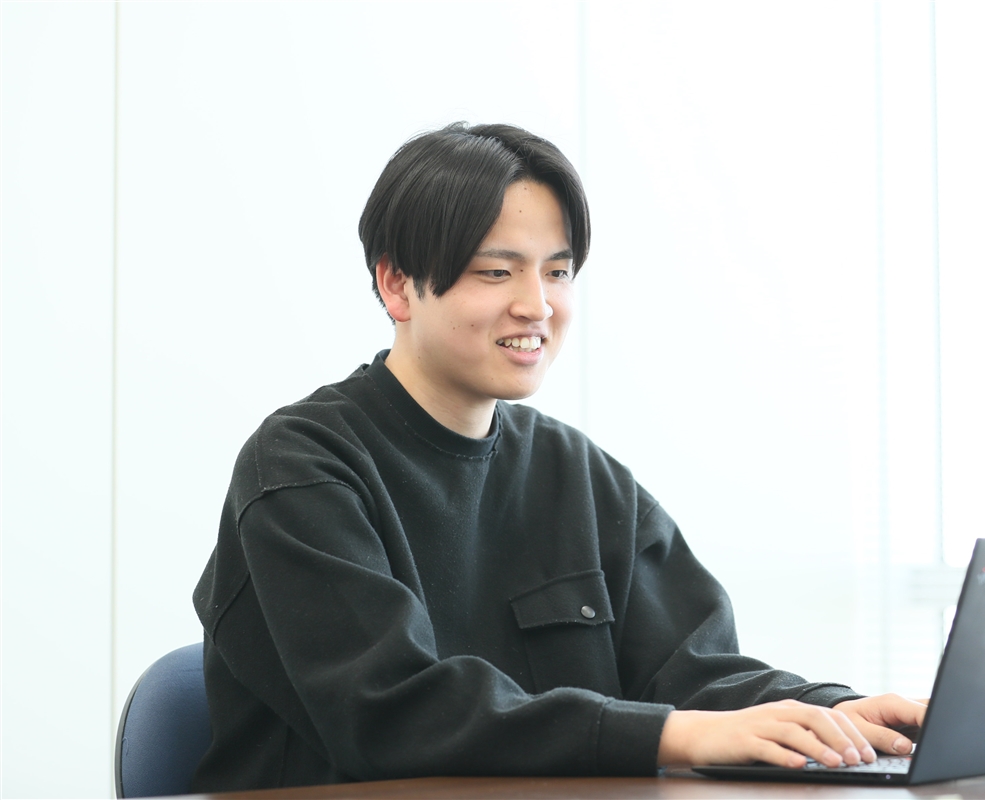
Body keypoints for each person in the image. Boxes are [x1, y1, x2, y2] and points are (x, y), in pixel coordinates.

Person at [191, 122, 926, 792]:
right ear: (397, 285)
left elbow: (694, 671)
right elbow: (392, 714)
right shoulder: (301, 466)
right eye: (497, 272)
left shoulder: (576, 474)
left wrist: (835, 713)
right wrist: (671, 735)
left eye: (557, 271)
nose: (537, 305)